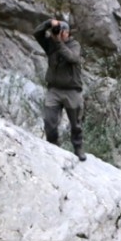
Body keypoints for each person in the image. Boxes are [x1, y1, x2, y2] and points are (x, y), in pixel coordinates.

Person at [33, 17, 86, 161]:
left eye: (61, 31)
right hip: (54, 89)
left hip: (72, 90)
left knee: (76, 124)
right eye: (58, 31)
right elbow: (37, 33)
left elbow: (72, 58)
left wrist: (58, 43)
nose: (58, 34)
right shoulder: (50, 44)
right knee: (49, 121)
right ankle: (53, 146)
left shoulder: (75, 45)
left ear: (67, 33)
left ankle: (78, 147)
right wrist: (49, 24)